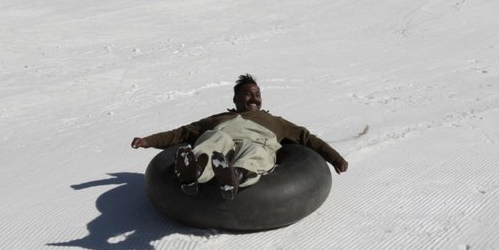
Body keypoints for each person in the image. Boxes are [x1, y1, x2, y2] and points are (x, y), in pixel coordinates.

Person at [131, 74, 348, 200]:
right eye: (248, 93)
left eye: (257, 94)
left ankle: (235, 176)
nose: (254, 97)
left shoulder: (276, 122)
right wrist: (148, 141)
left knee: (256, 152)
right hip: (223, 140)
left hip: (257, 142)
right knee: (214, 140)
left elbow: (307, 138)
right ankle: (194, 171)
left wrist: (334, 157)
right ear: (235, 99)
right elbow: (181, 133)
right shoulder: (218, 118)